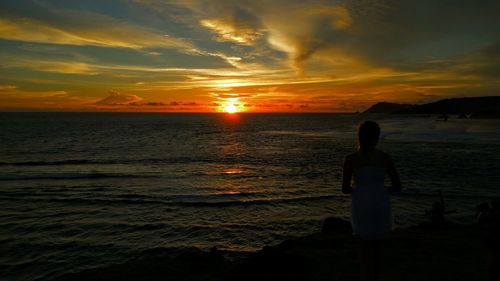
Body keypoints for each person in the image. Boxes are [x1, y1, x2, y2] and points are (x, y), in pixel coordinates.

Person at [342, 121, 402, 281]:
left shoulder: (351, 159)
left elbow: (345, 189)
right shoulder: (385, 158)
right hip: (380, 201)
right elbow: (397, 186)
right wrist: (380, 191)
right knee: (379, 248)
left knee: (364, 247)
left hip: (361, 203)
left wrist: (361, 190)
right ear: (377, 137)